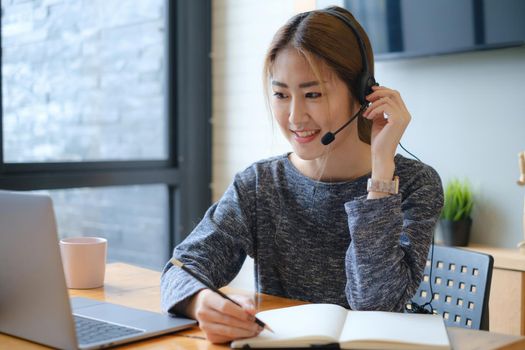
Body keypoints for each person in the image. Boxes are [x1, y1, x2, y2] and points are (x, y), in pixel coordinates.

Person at [161, 5, 443, 344]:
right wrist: (202, 302)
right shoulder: (259, 185)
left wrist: (382, 170)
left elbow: (376, 303)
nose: (295, 116)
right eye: (281, 95)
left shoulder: (415, 184)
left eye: (313, 94)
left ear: (362, 93)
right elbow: (181, 269)